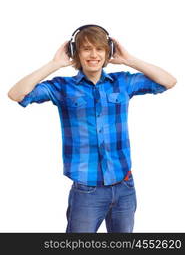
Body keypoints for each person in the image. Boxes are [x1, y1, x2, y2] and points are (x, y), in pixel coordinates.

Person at [7, 25, 177, 233]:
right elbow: (16, 94)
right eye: (86, 49)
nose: (93, 55)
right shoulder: (62, 87)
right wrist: (54, 64)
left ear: (108, 52)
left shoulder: (122, 82)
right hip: (87, 190)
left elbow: (169, 81)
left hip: (124, 186)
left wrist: (130, 60)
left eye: (100, 49)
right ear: (75, 53)